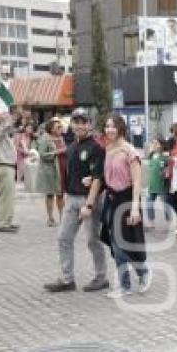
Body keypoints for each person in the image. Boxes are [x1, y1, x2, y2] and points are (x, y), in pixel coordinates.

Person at [43, 108, 109, 293]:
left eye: (83, 122)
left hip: (90, 200)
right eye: (76, 122)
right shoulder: (71, 147)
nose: (79, 125)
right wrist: (65, 195)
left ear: (89, 124)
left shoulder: (96, 148)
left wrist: (89, 204)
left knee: (92, 240)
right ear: (71, 124)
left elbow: (98, 178)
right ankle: (67, 279)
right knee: (63, 238)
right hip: (71, 199)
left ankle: (101, 277)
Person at [100, 115, 150, 298]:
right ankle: (128, 282)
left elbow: (137, 182)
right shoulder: (107, 149)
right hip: (111, 199)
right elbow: (108, 177)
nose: (109, 130)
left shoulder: (130, 151)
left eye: (113, 126)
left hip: (127, 200)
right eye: (106, 126)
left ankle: (139, 275)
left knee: (125, 244)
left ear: (121, 128)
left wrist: (135, 208)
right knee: (115, 244)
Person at [35, 118, 66, 226]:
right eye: (58, 127)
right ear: (51, 129)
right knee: (50, 195)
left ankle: (63, 218)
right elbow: (42, 154)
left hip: (61, 169)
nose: (60, 129)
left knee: (61, 194)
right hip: (50, 171)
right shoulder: (45, 138)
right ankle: (50, 218)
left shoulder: (61, 138)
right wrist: (57, 152)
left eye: (61, 127)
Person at [144, 138, 172, 230]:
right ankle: (151, 222)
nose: (155, 145)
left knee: (166, 204)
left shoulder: (166, 155)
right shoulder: (152, 155)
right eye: (153, 143)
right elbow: (150, 166)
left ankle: (168, 223)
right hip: (153, 184)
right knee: (149, 202)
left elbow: (170, 166)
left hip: (163, 184)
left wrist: (167, 171)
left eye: (157, 143)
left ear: (162, 145)